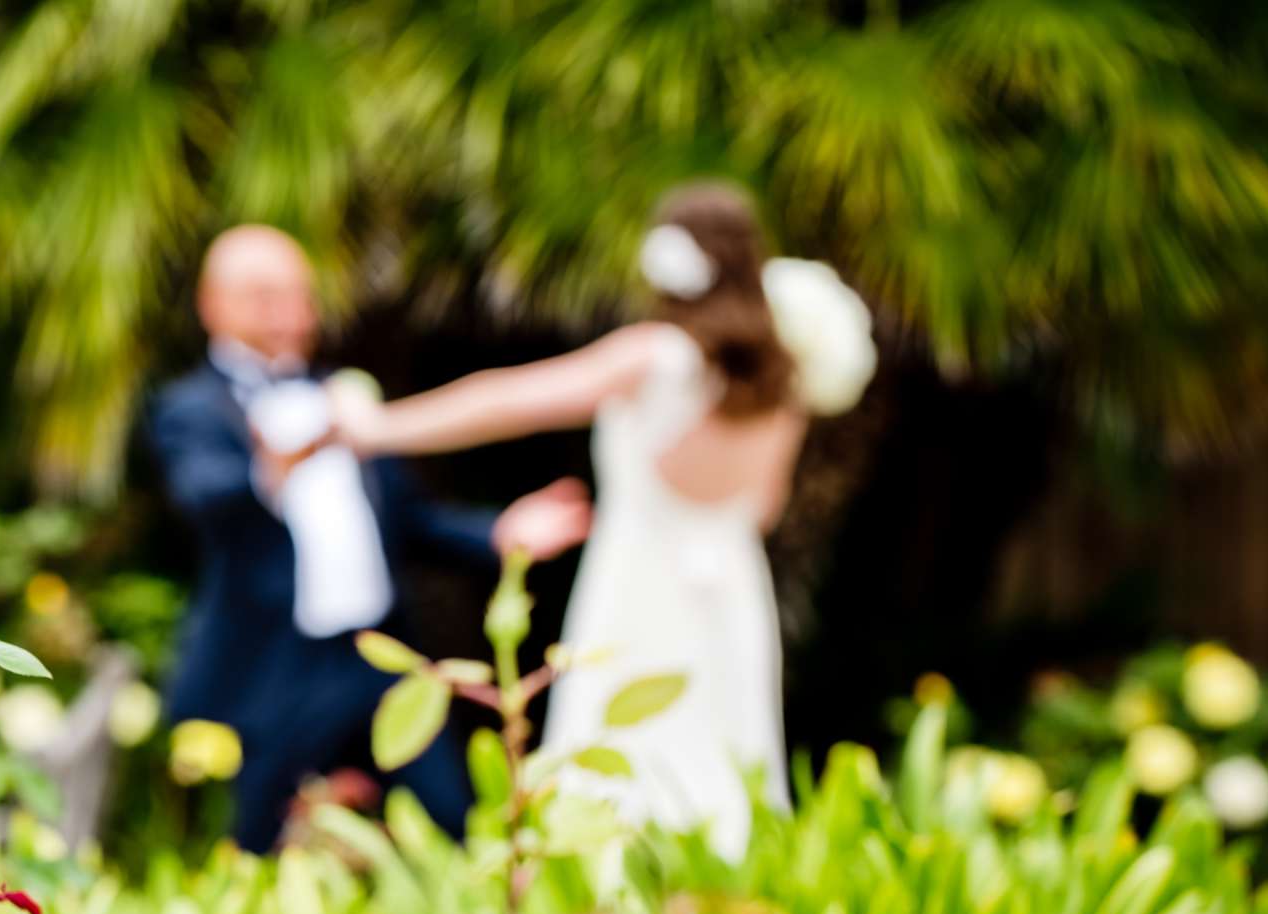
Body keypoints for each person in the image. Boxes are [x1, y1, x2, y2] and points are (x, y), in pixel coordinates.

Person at [331, 184, 871, 859]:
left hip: (641, 575)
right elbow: (763, 507)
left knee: (621, 741)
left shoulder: (660, 354)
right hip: (732, 584)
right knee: (725, 740)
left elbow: (508, 400)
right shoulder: (781, 377)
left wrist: (379, 428)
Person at [147, 224, 590, 851]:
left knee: (452, 820)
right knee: (259, 843)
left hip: (381, 653)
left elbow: (411, 521)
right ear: (213, 304)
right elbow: (207, 499)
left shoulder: (344, 392)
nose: (291, 314)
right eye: (266, 296)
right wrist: (292, 451)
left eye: (300, 295)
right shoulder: (192, 408)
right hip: (279, 667)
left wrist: (501, 531)